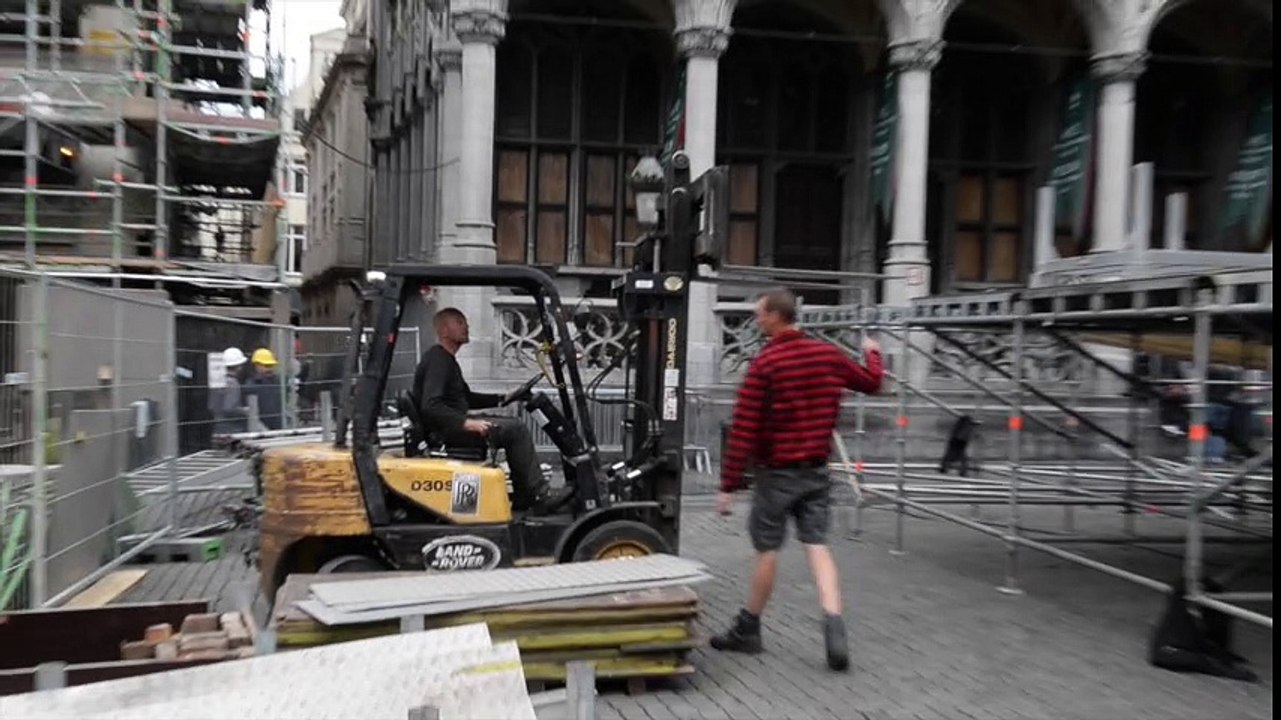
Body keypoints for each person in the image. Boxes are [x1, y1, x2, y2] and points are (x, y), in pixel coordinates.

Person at [710, 288, 884, 672]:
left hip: (776, 475)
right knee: (817, 545)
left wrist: (728, 484)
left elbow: (744, 430)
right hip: (817, 471)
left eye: (760, 314)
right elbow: (872, 383)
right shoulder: (828, 355)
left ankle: (748, 628)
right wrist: (872, 351)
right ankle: (834, 624)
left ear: (775, 316)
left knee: (768, 550)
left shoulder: (766, 364)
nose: (757, 320)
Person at [413, 307, 572, 513]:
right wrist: (467, 423)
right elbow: (430, 404)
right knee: (516, 429)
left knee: (511, 425)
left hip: (450, 427)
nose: (467, 326)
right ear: (444, 330)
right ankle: (539, 494)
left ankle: (524, 498)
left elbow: (466, 398)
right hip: (448, 432)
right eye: (459, 322)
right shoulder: (439, 360)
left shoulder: (445, 359)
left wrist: (502, 399)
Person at [209, 347, 248, 436]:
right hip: (232, 428)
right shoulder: (233, 383)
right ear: (239, 367)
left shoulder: (218, 381)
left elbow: (212, 406)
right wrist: (245, 411)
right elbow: (230, 408)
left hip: (218, 425)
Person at [243, 348, 284, 431]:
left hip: (278, 427)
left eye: (271, 366)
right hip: (259, 429)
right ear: (257, 365)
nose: (270, 369)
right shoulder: (250, 385)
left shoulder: (278, 382)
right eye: (266, 366)